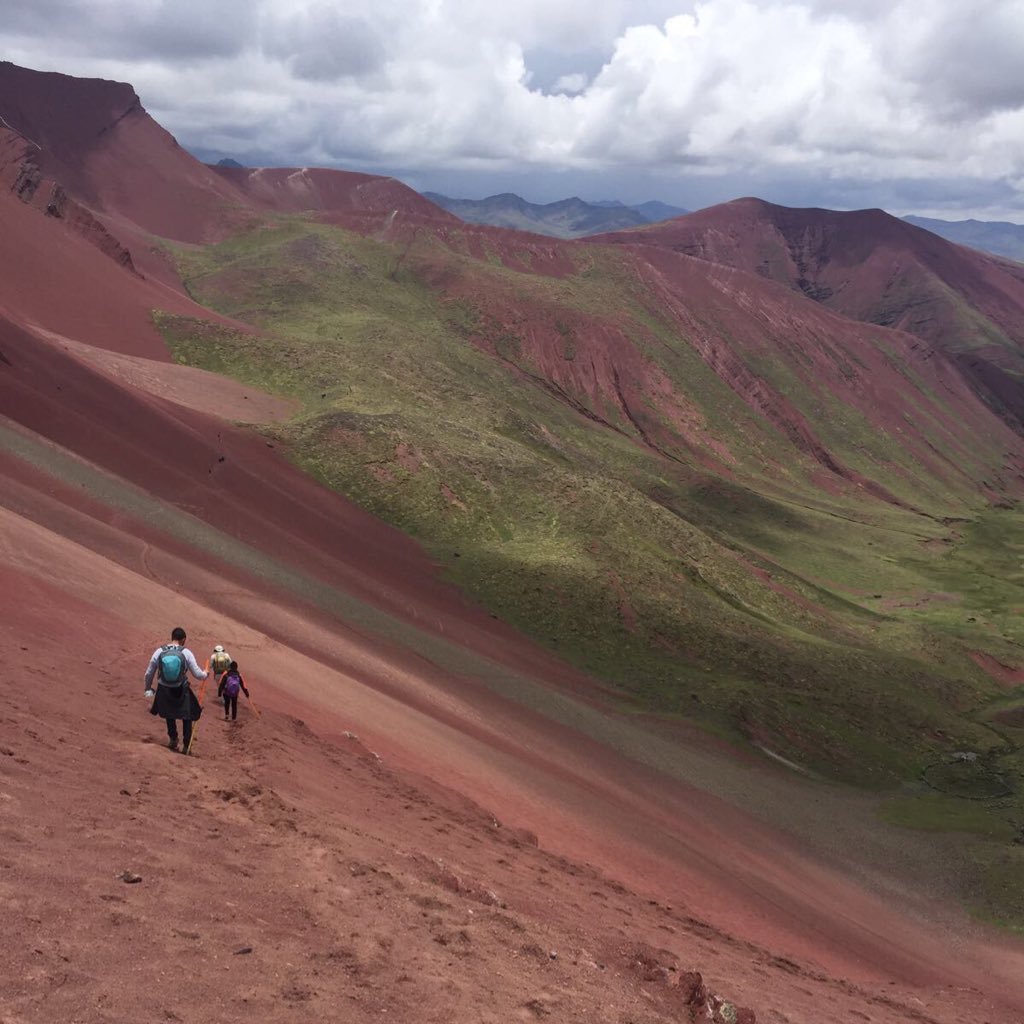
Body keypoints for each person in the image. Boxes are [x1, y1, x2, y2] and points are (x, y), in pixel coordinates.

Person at [144, 627, 208, 754]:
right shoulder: (186, 653)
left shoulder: (159, 651)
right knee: (187, 715)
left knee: (169, 713)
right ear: (183, 639)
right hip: (180, 688)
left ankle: (173, 740)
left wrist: (148, 688)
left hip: (164, 688)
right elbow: (198, 674)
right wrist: (205, 673)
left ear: (172, 637)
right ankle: (186, 746)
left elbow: (149, 673)